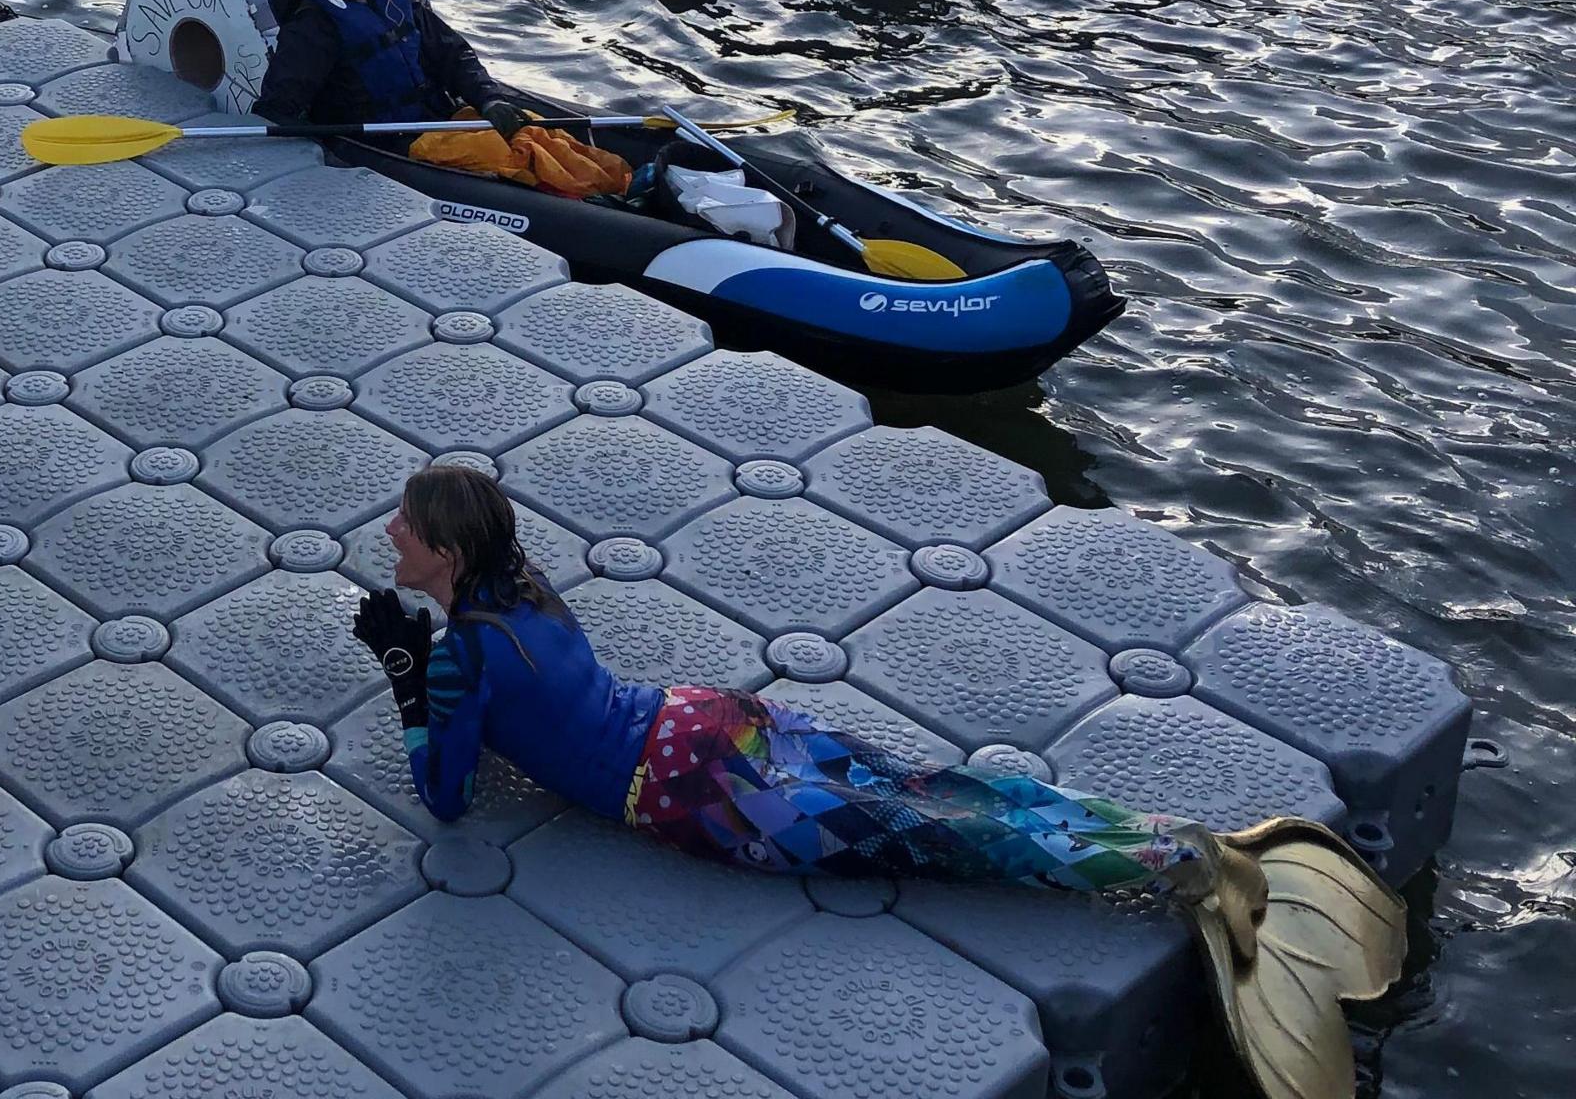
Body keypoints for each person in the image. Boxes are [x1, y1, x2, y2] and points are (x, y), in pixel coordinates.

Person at [353, 465, 1408, 1099]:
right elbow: (541, 714)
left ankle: (1186, 864)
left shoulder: (466, 656)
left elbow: (446, 794)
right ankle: (1182, 832)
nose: (391, 535)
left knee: (937, 837)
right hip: (711, 719)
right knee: (939, 788)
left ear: (443, 551)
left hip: (699, 799)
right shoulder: (528, 595)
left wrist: (410, 683)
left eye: (404, 525)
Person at [253, 0, 525, 144]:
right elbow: (278, 105)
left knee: (535, 135)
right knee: (502, 155)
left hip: (436, 115)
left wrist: (488, 98)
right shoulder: (312, 27)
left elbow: (451, 53)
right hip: (386, 139)